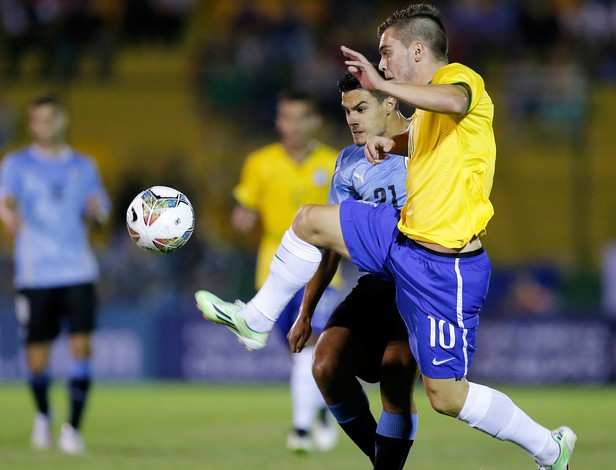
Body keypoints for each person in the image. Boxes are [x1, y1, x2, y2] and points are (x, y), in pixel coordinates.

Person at [195, 4, 577, 469]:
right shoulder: (416, 117)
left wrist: (381, 85)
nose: (382, 63)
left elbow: (456, 102)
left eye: (386, 52)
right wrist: (389, 142)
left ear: (418, 49)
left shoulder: (461, 79)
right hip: (401, 240)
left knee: (447, 397)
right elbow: (422, 137)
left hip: (445, 266)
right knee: (311, 219)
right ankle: (257, 318)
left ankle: (548, 448)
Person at [285, 72, 419, 469]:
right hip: (375, 286)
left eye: (361, 108)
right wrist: (306, 311)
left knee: (396, 375)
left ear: (390, 102)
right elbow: (330, 244)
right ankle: (384, 462)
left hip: (419, 284)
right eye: (347, 112)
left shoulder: (426, 142)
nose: (353, 120)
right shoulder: (348, 162)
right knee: (325, 365)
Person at [219, 89, 340, 453]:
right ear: (278, 121)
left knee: (312, 346)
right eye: (286, 117)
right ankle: (320, 411)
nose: (293, 124)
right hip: (273, 271)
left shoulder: (335, 162)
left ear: (315, 121)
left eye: (300, 116)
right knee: (299, 355)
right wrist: (242, 218)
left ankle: (300, 430)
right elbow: (245, 206)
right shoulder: (260, 162)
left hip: (322, 268)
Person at [0, 95, 111, 455]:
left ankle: (72, 429)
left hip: (78, 268)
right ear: (31, 126)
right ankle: (44, 415)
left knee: (82, 346)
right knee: (37, 356)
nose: (45, 126)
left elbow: (102, 211)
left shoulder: (84, 165)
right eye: (38, 120)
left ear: (63, 120)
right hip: (36, 273)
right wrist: (8, 214)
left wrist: (95, 212)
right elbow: (3, 199)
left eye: (51, 119)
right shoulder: (16, 164)